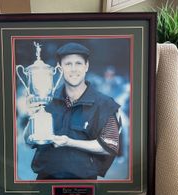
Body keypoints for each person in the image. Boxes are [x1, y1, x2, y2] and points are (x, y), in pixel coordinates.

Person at [24, 42, 122, 180]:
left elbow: (109, 145)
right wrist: (31, 116)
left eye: (78, 63)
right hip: (45, 183)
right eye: (68, 64)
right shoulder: (46, 100)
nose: (73, 69)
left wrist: (70, 142)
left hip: (84, 186)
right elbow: (29, 141)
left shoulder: (104, 104)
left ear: (86, 66)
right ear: (60, 67)